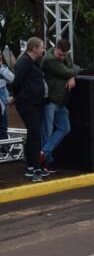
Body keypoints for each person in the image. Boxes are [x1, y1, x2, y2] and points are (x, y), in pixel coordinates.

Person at [41, 39, 81, 172]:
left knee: (65, 127)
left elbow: (71, 68)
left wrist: (71, 75)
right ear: (56, 48)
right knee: (46, 132)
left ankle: (44, 153)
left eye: (65, 55)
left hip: (61, 100)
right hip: (50, 100)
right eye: (60, 55)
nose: (63, 57)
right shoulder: (49, 59)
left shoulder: (65, 55)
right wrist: (72, 74)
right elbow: (70, 70)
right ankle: (46, 161)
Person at [12, 37, 47, 182]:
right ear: (34, 48)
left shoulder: (32, 62)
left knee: (33, 134)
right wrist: (18, 97)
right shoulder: (25, 62)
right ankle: (35, 167)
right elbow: (17, 82)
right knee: (35, 134)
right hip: (28, 104)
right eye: (42, 47)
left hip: (34, 103)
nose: (43, 49)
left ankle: (32, 165)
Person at [0, 52, 14, 140]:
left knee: (3, 127)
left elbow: (13, 79)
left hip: (3, 104)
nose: (0, 56)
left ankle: (4, 151)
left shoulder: (3, 67)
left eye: (0, 54)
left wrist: (1, 69)